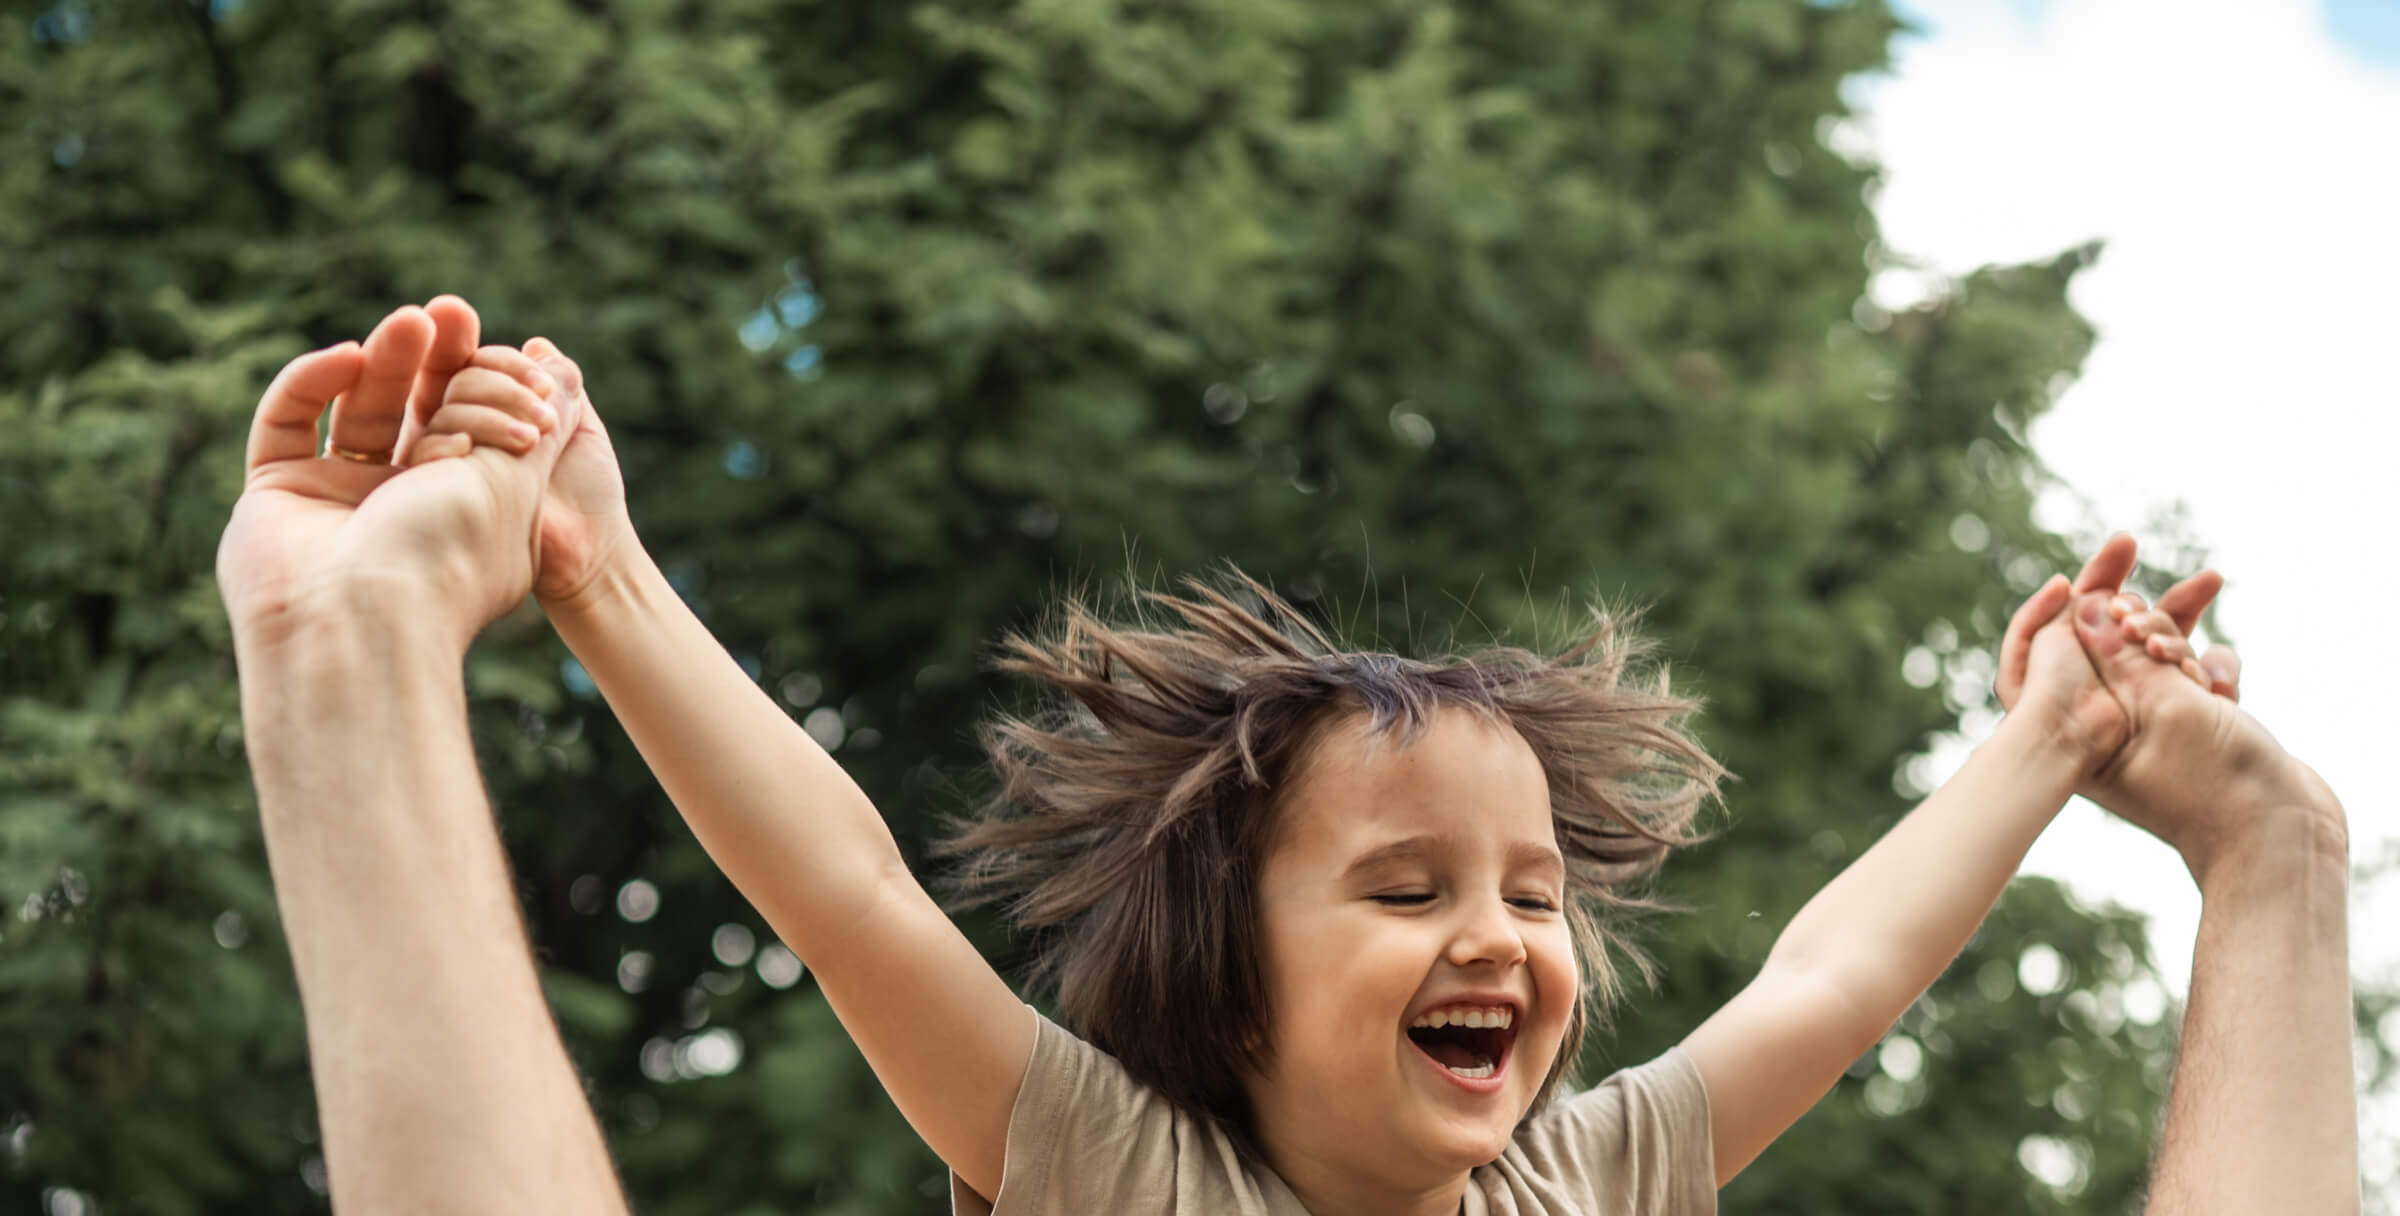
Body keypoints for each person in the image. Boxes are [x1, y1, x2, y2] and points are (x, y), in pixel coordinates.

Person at [217, 297, 2357, 1213]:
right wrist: (602, 575)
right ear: (1224, 964)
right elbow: (852, 889)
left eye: (1529, 891)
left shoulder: (1578, 1173)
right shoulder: (1115, 1161)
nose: (1499, 934)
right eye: (1408, 887)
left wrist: (2054, 735)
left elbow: (1829, 975)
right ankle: (349, 659)